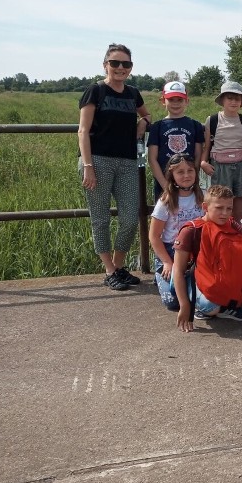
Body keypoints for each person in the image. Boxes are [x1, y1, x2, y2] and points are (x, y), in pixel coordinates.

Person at [78, 43, 152, 291]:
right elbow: (83, 130)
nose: (120, 68)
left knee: (131, 218)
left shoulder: (133, 93)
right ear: (105, 65)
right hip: (97, 160)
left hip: (127, 161)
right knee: (100, 218)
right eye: (115, 63)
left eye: (126, 64)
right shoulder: (95, 91)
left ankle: (119, 266)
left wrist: (143, 123)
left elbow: (148, 115)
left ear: (131, 68)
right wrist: (87, 165)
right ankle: (110, 270)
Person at [172, 185, 242, 331]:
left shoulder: (231, 223)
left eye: (229, 209)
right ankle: (203, 305)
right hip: (191, 276)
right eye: (219, 208)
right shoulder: (191, 231)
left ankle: (226, 304)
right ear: (205, 206)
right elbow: (178, 270)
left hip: (216, 274)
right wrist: (185, 306)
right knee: (210, 307)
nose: (224, 213)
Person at [148, 153, 204, 310]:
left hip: (196, 251)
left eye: (190, 171)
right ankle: (161, 273)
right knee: (172, 301)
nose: (186, 175)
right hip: (170, 251)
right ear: (172, 175)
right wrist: (167, 262)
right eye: (180, 172)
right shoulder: (166, 201)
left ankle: (188, 280)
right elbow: (154, 236)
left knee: (199, 296)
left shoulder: (203, 196)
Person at [200, 81, 242, 221]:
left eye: (237, 98)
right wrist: (202, 162)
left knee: (237, 209)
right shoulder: (212, 120)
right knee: (220, 205)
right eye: (230, 98)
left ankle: (234, 236)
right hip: (219, 167)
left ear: (241, 101)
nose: (233, 102)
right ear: (222, 100)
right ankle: (219, 238)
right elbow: (207, 146)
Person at [147, 81, 204, 199]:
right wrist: (165, 186)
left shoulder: (195, 125)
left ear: (186, 101)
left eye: (180, 100)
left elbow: (198, 155)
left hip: (188, 181)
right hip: (164, 182)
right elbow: (152, 159)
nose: (176, 104)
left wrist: (192, 180)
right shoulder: (157, 126)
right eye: (171, 100)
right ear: (163, 101)